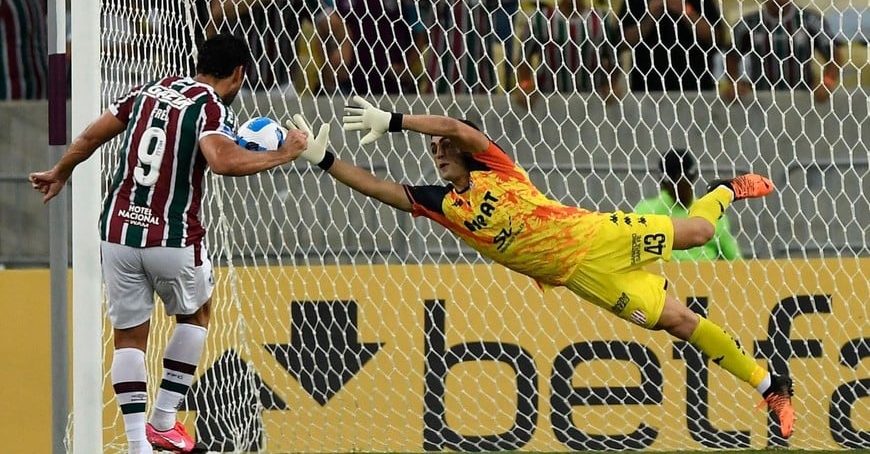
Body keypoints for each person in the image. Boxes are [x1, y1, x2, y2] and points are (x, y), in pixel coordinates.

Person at [288, 96, 796, 440]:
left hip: (598, 234)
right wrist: (321, 156)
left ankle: (726, 189)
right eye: (433, 149)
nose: (439, 151)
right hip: (584, 277)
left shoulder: (497, 167)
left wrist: (395, 121)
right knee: (679, 323)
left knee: (701, 232)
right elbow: (379, 188)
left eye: (445, 147)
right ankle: (771, 385)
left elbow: (454, 126)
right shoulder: (444, 205)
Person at [28, 34, 328, 454]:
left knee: (129, 338)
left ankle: (137, 445)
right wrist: (287, 153)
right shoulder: (211, 108)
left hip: (117, 232)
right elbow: (223, 161)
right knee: (197, 314)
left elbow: (92, 136)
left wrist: (60, 171)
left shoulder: (149, 90)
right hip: (172, 236)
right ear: (239, 73)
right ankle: (164, 420)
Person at [722, 0, 842, 104]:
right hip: (762, 103)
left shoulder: (811, 21)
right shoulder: (748, 24)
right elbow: (730, 56)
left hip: (802, 102)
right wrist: (735, 83)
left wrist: (827, 82)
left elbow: (834, 56)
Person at [512, 0, 621, 109]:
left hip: (593, 102)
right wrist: (525, 85)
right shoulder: (539, 19)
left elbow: (615, 59)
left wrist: (611, 85)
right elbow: (524, 59)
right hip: (550, 102)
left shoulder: (602, 19)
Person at [618, 0, 723, 92]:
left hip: (696, 87)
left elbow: (715, 37)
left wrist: (685, 10)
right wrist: (651, 15)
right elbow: (623, 43)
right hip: (648, 88)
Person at [635, 149, 741, 261]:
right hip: (664, 276)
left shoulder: (713, 212)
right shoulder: (646, 212)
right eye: (673, 179)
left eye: (681, 177)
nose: (678, 183)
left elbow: (735, 259)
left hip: (707, 275)